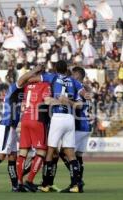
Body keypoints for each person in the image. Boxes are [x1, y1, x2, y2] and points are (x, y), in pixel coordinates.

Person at [0, 66, 42, 193]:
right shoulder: (14, 87)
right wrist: (34, 71)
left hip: (11, 127)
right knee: (1, 155)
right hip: (6, 126)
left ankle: (15, 186)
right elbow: (23, 78)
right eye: (28, 78)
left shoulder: (22, 91)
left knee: (13, 157)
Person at [27, 60, 84, 193]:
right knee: (71, 154)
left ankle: (46, 184)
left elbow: (32, 79)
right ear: (66, 69)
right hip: (70, 118)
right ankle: (76, 185)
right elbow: (83, 94)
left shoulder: (52, 77)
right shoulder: (73, 81)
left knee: (50, 152)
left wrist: (35, 71)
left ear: (55, 69)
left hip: (57, 117)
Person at [16, 79, 51, 192]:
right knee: (41, 151)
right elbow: (47, 101)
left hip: (25, 119)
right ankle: (29, 181)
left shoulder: (27, 86)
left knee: (23, 152)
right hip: (37, 119)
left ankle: (19, 183)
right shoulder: (45, 85)